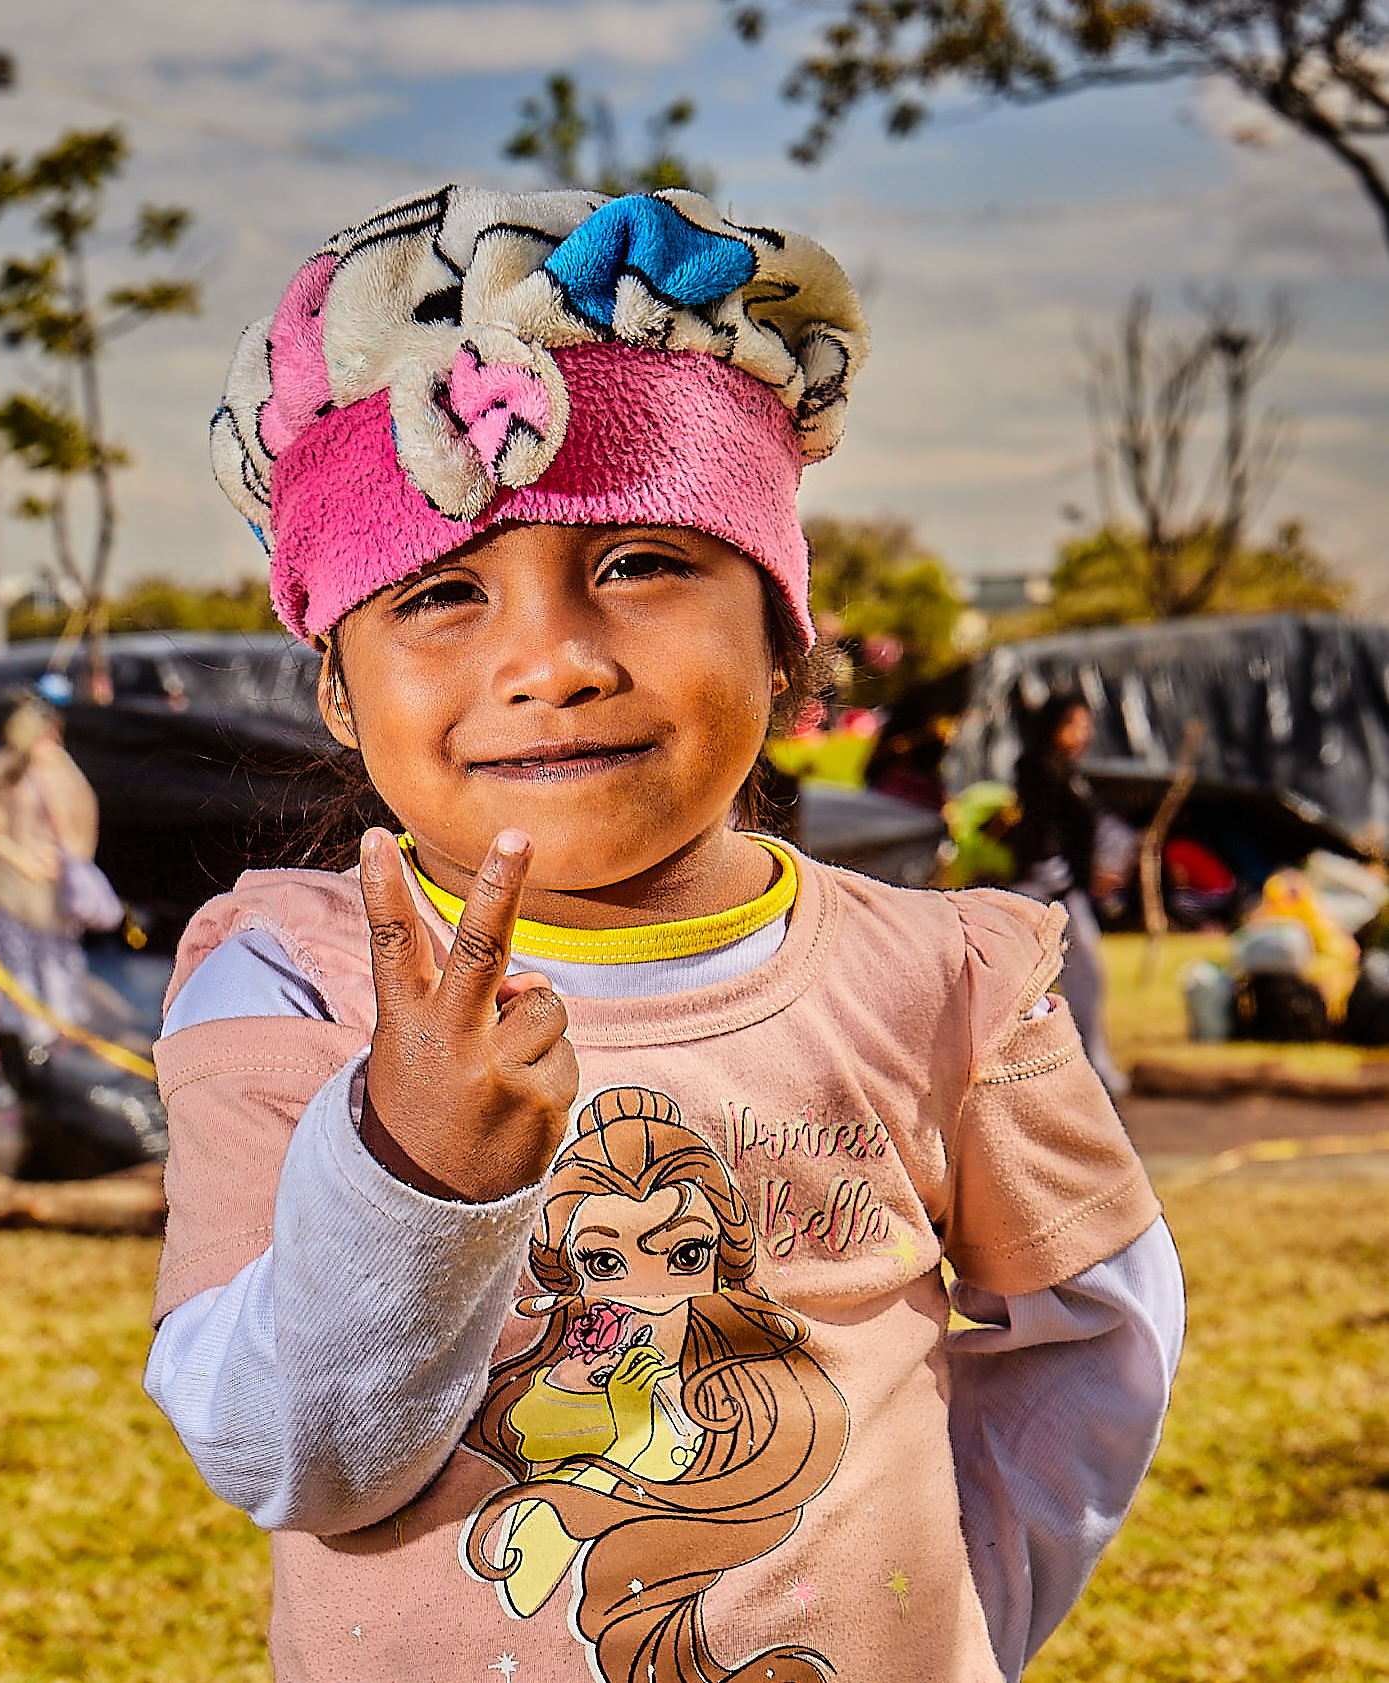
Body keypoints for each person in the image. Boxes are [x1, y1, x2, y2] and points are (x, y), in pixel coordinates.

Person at [144, 186, 1184, 1683]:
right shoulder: (282, 981)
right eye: (440, 592)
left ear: (782, 635)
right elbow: (288, 1454)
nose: (553, 662)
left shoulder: (943, 979)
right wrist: (410, 1173)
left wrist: (951, 1622)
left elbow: (1101, 1343)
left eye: (639, 563)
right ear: (336, 689)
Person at [1006, 691, 1130, 1097]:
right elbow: (1040, 833)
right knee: (1041, 978)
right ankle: (1080, 1067)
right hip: (1046, 891)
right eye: (1076, 723)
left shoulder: (1069, 772)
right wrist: (1058, 880)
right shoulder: (1037, 769)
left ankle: (1087, 1064)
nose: (1084, 733)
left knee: (1083, 978)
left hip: (1066, 889)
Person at [0, 683, 98, 1049]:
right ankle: (58, 1054)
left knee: (16, 976)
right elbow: (83, 824)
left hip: (8, 889)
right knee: (59, 972)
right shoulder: (62, 769)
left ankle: (30, 1058)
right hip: (52, 889)